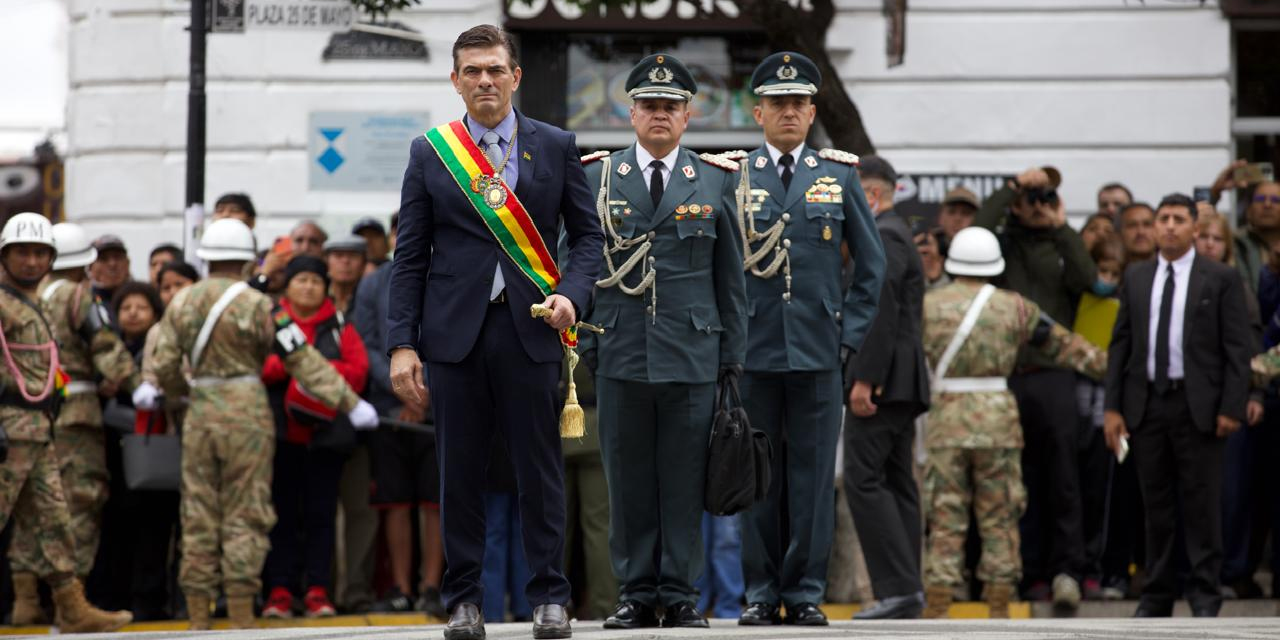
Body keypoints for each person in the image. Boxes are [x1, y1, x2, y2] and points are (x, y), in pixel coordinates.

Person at [386, 25, 604, 640]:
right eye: (472, 71)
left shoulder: (555, 145)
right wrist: (403, 343)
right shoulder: (431, 152)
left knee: (540, 471)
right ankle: (463, 602)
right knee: (459, 473)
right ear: (455, 80)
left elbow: (587, 237)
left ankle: (550, 600)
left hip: (532, 328)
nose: (485, 80)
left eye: (495, 69)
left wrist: (573, 292)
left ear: (516, 76)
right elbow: (411, 257)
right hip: (453, 337)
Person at [134, 218, 378, 629]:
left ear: (207, 258)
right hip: (248, 414)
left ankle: (198, 613)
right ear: (248, 261)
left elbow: (165, 367)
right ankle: (243, 610)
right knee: (245, 511)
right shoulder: (260, 305)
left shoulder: (182, 302)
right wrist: (350, 403)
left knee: (198, 511)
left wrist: (180, 390)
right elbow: (302, 360)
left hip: (201, 412)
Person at [577, 51, 746, 631]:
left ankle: (677, 593)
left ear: (688, 116)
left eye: (670, 107)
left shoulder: (717, 179)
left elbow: (732, 280)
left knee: (682, 483)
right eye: (648, 106)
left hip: (693, 355)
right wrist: (587, 350)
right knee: (626, 483)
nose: (659, 116)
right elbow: (582, 267)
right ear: (630, 113)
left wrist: (732, 360)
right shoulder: (598, 177)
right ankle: (633, 591)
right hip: (620, 351)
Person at [724, 51, 884, 628]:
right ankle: (762, 591)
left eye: (798, 104)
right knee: (756, 475)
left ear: (812, 111)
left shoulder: (836, 174)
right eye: (778, 104)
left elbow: (871, 265)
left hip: (819, 349)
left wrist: (850, 336)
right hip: (753, 350)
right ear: (759, 112)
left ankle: (806, 589)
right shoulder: (733, 175)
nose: (789, 113)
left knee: (814, 481)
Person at [920, 226, 1106, 619]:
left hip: (947, 417)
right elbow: (1064, 346)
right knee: (1000, 512)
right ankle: (1000, 604)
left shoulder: (929, 305)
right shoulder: (1016, 307)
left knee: (945, 512)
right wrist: (1115, 369)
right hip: (998, 420)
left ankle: (938, 601)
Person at [1103, 194, 1253, 617]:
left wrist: (1231, 406)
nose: (1168, 226)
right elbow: (1122, 344)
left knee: (1202, 503)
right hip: (1148, 404)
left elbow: (1236, 348)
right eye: (1162, 219)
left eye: (1177, 219)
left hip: (1199, 405)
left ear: (1193, 226)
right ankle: (1157, 595)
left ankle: (1205, 594)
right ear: (1153, 228)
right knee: (1157, 505)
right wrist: (1113, 407)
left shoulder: (1219, 277)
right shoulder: (1136, 276)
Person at [0, 213, 135, 632]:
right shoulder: (6, 302)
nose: (32, 261)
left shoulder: (37, 301)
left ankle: (71, 606)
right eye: (22, 253)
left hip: (40, 429)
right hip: (11, 428)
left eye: (41, 253)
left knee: (55, 518)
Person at [974, 165, 1096, 609]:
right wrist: (1009, 191)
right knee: (1013, 480)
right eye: (1030, 199)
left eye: (1041, 198)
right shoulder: (1001, 244)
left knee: (1063, 475)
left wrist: (1061, 228)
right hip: (1009, 377)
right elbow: (975, 233)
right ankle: (1027, 572)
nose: (1035, 207)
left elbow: (1088, 281)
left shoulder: (1061, 242)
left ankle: (1067, 570)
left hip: (1055, 375)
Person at [260, 256, 370, 619]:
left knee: (322, 513)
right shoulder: (272, 320)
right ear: (287, 286)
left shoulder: (338, 324)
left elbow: (357, 373)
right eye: (300, 280)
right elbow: (261, 365)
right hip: (280, 436)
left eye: (314, 281)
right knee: (281, 514)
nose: (308, 287)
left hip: (326, 439)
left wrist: (310, 371)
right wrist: (295, 369)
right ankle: (279, 590)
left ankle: (318, 591)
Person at [844, 154, 927, 620]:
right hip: (898, 381)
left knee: (864, 480)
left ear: (870, 196)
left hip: (882, 381)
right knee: (896, 482)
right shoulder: (896, 233)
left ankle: (896, 588)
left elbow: (879, 309)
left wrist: (865, 379)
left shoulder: (882, 234)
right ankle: (906, 588)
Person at [110, 281, 179, 620]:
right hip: (113, 444)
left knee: (156, 524)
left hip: (154, 443)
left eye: (142, 307)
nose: (133, 313)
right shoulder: (108, 346)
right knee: (119, 525)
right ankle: (116, 597)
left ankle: (150, 600)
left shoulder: (158, 344)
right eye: (126, 307)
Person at [1233, 180, 1280, 298]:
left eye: (1275, 200)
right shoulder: (1235, 242)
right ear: (1249, 209)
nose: (1267, 205)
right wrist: (1215, 194)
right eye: (1260, 199)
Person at [88, 234, 131, 321]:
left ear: (127, 263)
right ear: (90, 266)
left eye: (117, 257)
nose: (112, 264)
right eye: (103, 259)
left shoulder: (143, 299)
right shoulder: (83, 303)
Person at [324, 235, 367, 315]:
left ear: (363, 264)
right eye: (338, 255)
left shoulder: (372, 298)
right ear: (326, 262)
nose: (345, 261)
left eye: (353, 256)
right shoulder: (318, 296)